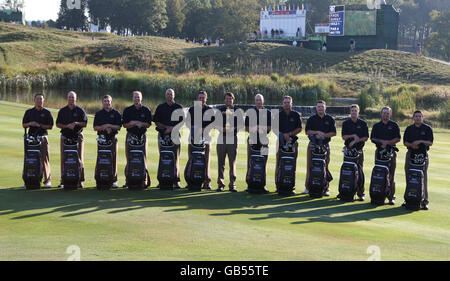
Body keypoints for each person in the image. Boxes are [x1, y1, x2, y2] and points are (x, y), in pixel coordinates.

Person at [303, 100, 337, 196]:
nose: (320, 108)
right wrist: (317, 133)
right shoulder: (312, 118)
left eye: (322, 106)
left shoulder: (330, 119)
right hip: (312, 145)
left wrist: (324, 135)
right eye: (318, 107)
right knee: (310, 166)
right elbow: (307, 131)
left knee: (325, 166)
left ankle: (326, 188)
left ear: (325, 107)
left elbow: (334, 133)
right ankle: (308, 187)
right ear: (316, 108)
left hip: (325, 146)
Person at [153, 89, 184, 188]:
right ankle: (162, 179)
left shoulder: (178, 107)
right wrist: (166, 128)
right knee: (163, 157)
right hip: (163, 135)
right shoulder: (160, 107)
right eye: (168, 94)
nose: (169, 96)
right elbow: (156, 121)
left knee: (175, 158)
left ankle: (176, 181)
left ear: (174, 96)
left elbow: (182, 122)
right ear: (165, 95)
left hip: (175, 135)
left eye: (171, 94)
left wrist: (172, 129)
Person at [56, 91, 88, 188]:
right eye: (69, 97)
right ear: (67, 98)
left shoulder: (80, 110)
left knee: (79, 158)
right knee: (64, 158)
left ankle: (80, 180)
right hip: (65, 136)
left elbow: (85, 123)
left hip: (77, 136)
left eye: (73, 97)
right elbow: (57, 124)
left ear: (76, 99)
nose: (71, 99)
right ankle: (63, 179)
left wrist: (75, 123)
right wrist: (67, 126)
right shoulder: (62, 111)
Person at [370, 106, 401, 205]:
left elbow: (398, 138)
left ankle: (391, 197)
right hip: (379, 152)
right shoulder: (376, 125)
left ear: (390, 114)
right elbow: (372, 138)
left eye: (388, 113)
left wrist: (387, 143)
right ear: (381, 114)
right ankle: (378, 195)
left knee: (391, 175)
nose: (386, 115)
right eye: (384, 113)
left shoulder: (394, 125)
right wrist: (381, 143)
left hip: (391, 152)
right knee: (379, 174)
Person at [403, 110, 433, 210]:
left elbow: (430, 142)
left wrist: (420, 141)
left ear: (422, 118)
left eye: (420, 116)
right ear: (413, 118)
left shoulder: (427, 128)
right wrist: (412, 145)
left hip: (423, 155)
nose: (418, 118)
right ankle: (409, 198)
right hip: (411, 154)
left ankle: (424, 201)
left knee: (423, 177)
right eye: (416, 116)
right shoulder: (409, 129)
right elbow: (405, 142)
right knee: (409, 175)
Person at [22, 93, 54, 188]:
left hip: (43, 137)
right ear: (34, 100)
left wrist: (39, 125)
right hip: (31, 138)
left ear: (44, 101)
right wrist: (30, 123)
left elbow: (50, 126)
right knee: (29, 158)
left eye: (41, 99)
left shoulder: (47, 112)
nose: (39, 101)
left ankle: (47, 180)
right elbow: (24, 124)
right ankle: (28, 179)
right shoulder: (29, 112)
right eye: (37, 99)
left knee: (44, 158)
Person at [122, 91, 152, 187]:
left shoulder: (146, 110)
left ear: (141, 98)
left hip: (142, 136)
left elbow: (148, 124)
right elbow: (124, 125)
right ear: (132, 98)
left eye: (138, 97)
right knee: (129, 158)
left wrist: (141, 124)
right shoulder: (127, 110)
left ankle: (143, 180)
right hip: (130, 135)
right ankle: (128, 180)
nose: (137, 99)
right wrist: (133, 123)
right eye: (135, 97)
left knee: (143, 158)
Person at [215, 92, 244, 192]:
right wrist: (222, 129)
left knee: (232, 162)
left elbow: (241, 125)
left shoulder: (238, 111)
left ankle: (232, 184)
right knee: (220, 162)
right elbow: (215, 125)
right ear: (224, 100)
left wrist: (232, 129)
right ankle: (220, 184)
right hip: (222, 138)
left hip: (233, 138)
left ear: (233, 99)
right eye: (227, 99)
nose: (228, 100)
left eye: (230, 99)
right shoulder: (220, 110)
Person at [186, 91, 215, 190]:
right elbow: (187, 123)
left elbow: (213, 124)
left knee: (206, 161)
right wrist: (195, 129)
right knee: (191, 160)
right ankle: (190, 179)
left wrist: (203, 129)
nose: (201, 99)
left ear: (206, 99)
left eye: (203, 98)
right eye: (200, 98)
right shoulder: (192, 109)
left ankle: (207, 182)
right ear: (197, 99)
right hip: (193, 138)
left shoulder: (209, 110)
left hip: (206, 139)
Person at [93, 95, 122, 188]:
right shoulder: (98, 114)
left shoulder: (116, 113)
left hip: (112, 139)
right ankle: (99, 178)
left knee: (113, 158)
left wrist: (110, 126)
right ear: (102, 102)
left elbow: (119, 127)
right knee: (100, 158)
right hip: (101, 139)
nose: (107, 103)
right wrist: (105, 127)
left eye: (108, 101)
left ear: (111, 102)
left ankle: (114, 180)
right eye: (105, 101)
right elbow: (95, 127)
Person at [341, 104, 369, 200]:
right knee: (347, 171)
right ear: (350, 112)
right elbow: (344, 137)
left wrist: (357, 140)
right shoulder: (346, 123)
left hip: (359, 151)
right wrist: (352, 136)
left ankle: (361, 194)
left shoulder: (363, 123)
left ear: (358, 112)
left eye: (355, 111)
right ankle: (346, 192)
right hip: (348, 151)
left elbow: (366, 138)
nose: (354, 112)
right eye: (352, 111)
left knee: (360, 172)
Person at [275, 96, 302, 195]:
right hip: (281, 142)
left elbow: (299, 128)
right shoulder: (279, 115)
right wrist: (283, 136)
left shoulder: (296, 115)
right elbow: (275, 129)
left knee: (292, 164)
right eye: (285, 102)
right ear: (282, 104)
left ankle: (291, 186)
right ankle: (278, 185)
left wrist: (289, 135)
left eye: (288, 102)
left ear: (291, 104)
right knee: (279, 164)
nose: (286, 104)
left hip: (293, 142)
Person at [245, 94, 272, 193]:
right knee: (250, 162)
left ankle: (262, 185)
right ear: (254, 101)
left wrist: (260, 127)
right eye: (257, 100)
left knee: (264, 162)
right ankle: (249, 184)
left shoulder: (268, 113)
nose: (258, 102)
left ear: (263, 101)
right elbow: (246, 128)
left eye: (260, 100)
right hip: (252, 140)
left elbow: (269, 128)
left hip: (264, 140)